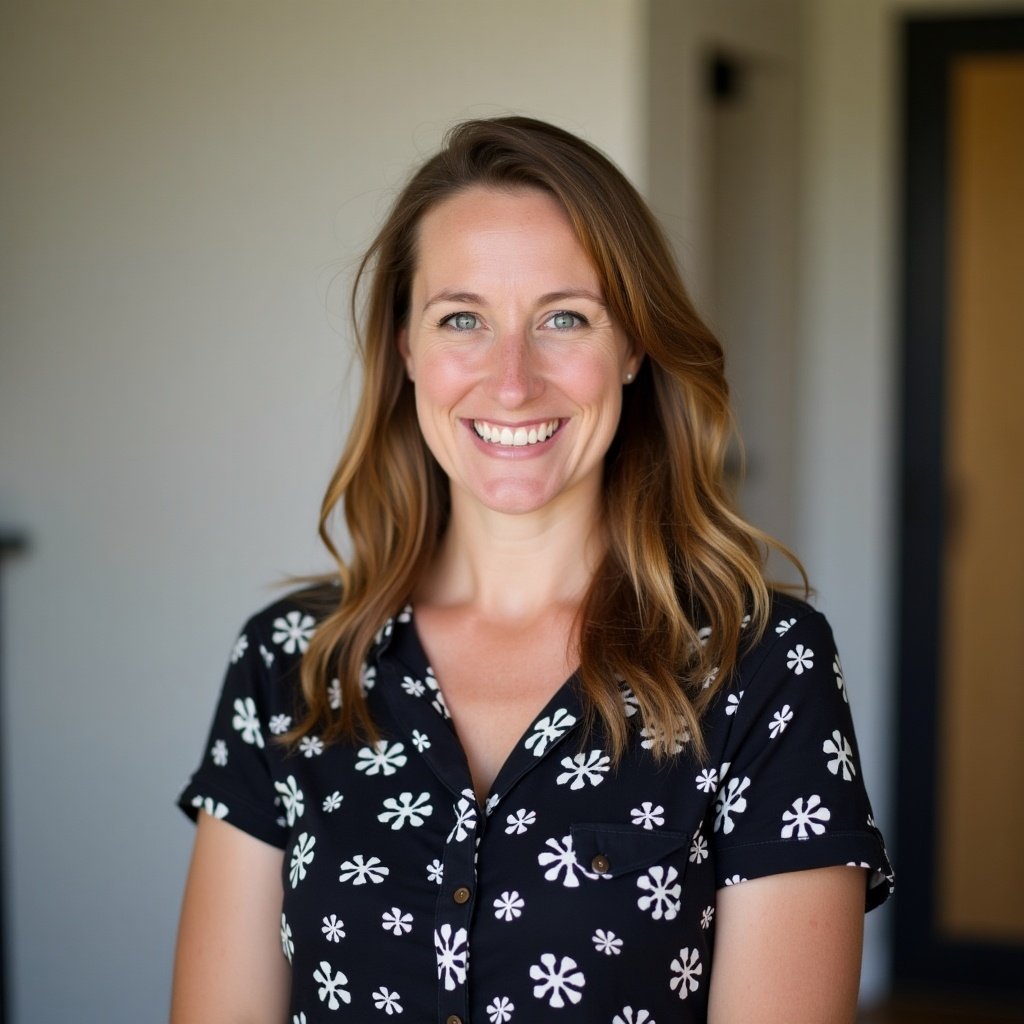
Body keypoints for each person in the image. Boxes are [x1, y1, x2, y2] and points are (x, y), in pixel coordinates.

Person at [171, 116, 893, 1024]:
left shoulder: (760, 668)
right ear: (406, 349)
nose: (511, 381)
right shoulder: (292, 664)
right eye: (462, 318)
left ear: (632, 346)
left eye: (564, 318)